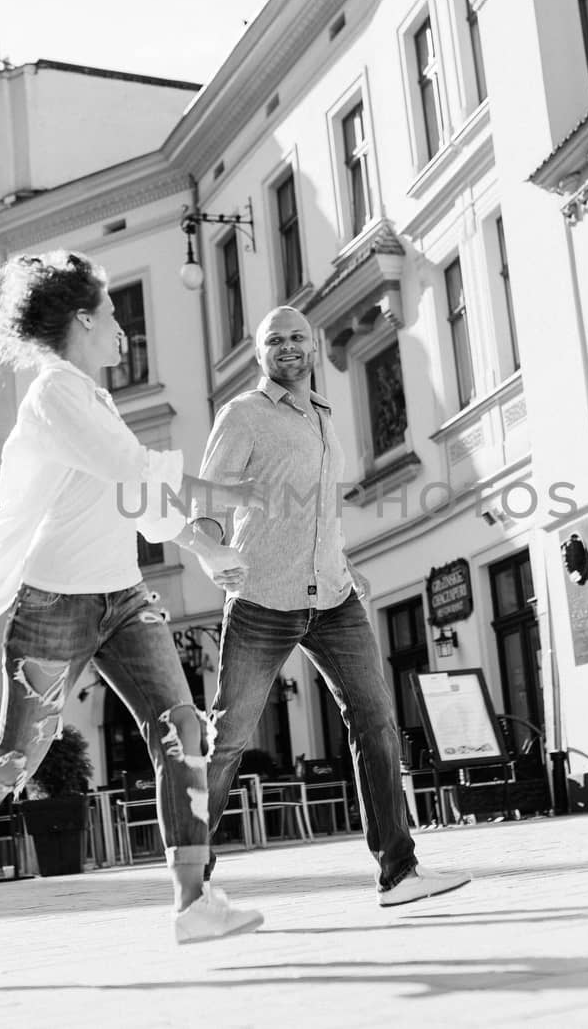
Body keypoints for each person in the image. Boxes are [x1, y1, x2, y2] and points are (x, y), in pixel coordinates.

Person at [0, 251, 266, 944]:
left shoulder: (96, 398)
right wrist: (225, 499)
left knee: (182, 728)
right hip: (53, 606)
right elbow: (134, 470)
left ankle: (193, 901)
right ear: (81, 321)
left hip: (123, 598)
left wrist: (209, 547)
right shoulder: (53, 394)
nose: (120, 330)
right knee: (17, 756)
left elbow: (137, 496)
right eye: (111, 316)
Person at [195, 305, 471, 907]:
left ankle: (398, 872)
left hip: (333, 596)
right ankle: (193, 877)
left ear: (313, 347)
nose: (288, 347)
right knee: (230, 738)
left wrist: (345, 566)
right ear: (259, 351)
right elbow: (205, 502)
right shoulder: (241, 415)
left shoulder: (323, 414)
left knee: (375, 723)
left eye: (297, 337)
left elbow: (319, 509)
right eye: (275, 340)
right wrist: (213, 556)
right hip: (262, 596)